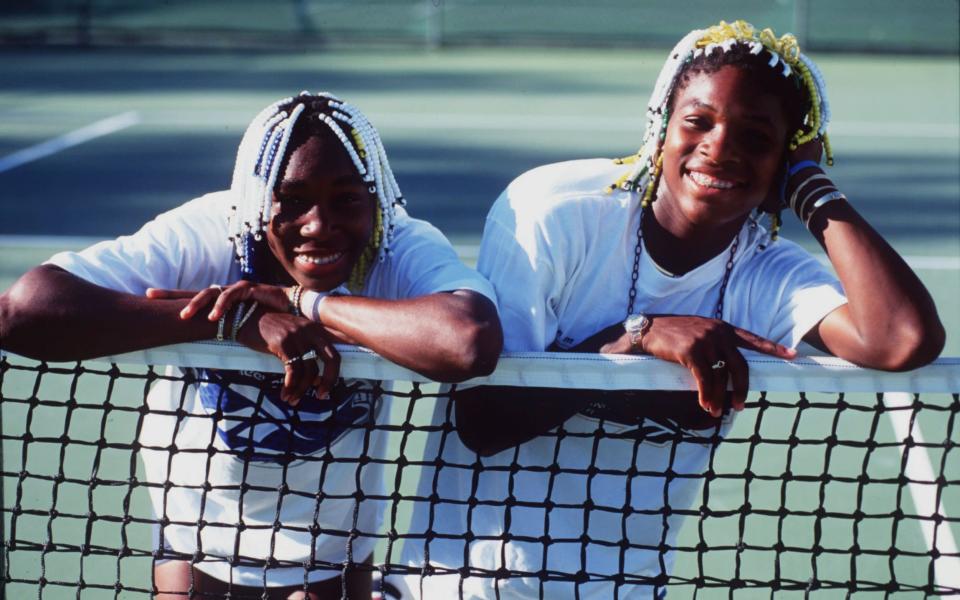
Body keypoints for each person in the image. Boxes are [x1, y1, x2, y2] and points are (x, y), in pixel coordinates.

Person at [395, 20, 944, 599]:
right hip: (466, 587)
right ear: (660, 128)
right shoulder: (555, 215)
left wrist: (811, 186)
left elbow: (902, 338)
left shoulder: (766, 275)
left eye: (756, 137)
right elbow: (483, 421)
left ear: (782, 158)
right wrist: (637, 338)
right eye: (698, 122)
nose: (721, 146)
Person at [0, 92, 502, 598]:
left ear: (376, 201)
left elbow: (466, 342)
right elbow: (22, 312)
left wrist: (299, 302)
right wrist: (231, 321)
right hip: (197, 548)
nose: (318, 225)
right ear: (259, 200)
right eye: (292, 200)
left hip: (331, 555)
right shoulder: (209, 232)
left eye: (346, 200)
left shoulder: (396, 245)